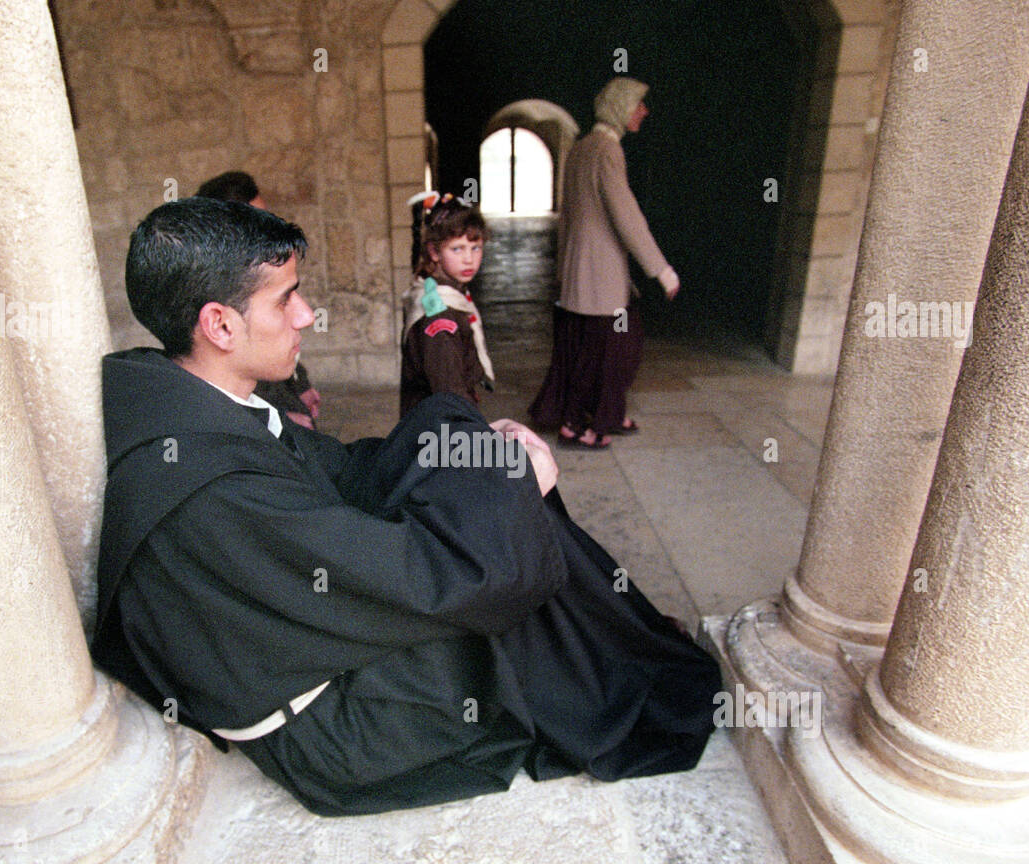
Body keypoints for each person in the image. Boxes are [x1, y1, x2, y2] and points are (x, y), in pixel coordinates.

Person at [92, 196, 721, 817]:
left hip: (316, 639)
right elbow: (420, 578)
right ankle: (623, 661)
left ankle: (620, 636)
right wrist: (511, 485)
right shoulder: (212, 488)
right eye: (286, 299)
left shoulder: (200, 400)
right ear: (219, 325)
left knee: (464, 447)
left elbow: (346, 470)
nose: (307, 315)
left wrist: (482, 454)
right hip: (336, 726)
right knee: (503, 577)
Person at [529, 77, 680, 449]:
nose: (644, 111)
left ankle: (599, 415)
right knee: (614, 352)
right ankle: (583, 424)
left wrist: (563, 273)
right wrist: (661, 270)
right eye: (637, 103)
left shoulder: (581, 148)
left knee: (587, 349)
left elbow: (569, 217)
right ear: (620, 107)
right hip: (601, 278)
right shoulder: (607, 150)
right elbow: (626, 215)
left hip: (581, 275)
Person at [195, 170, 320, 428]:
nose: (307, 316)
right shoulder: (219, 286)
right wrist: (275, 422)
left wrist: (300, 384)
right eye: (256, 221)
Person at [399, 193, 496, 416]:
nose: (469, 259)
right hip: (440, 433)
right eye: (457, 249)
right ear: (434, 251)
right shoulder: (440, 316)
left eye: (476, 248)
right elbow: (450, 395)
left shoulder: (450, 294)